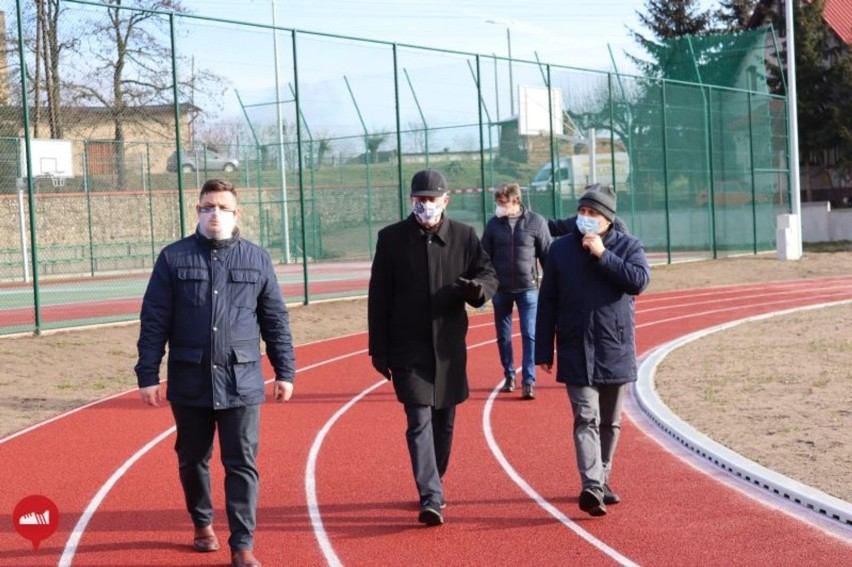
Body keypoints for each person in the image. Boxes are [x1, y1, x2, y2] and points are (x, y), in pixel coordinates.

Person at [135, 178, 295, 567]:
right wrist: (147, 373)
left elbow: (275, 319)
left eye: (222, 207)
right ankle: (202, 522)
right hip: (190, 379)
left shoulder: (256, 259)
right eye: (208, 206)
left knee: (242, 462)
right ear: (198, 211)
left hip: (242, 381)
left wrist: (285, 369)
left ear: (236, 213)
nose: (215, 214)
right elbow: (154, 319)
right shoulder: (173, 258)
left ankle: (243, 544)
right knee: (193, 458)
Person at [368, 169, 498, 527]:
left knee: (444, 422)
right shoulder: (391, 239)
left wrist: (476, 290)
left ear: (446, 200)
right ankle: (431, 496)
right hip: (407, 348)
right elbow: (378, 297)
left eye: (431, 199)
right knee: (419, 420)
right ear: (411, 200)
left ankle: (435, 481)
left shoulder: (464, 237)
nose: (425, 205)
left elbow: (489, 275)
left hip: (448, 348)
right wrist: (378, 349)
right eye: (419, 199)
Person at [534, 183, 650, 517]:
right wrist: (543, 349)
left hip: (614, 347)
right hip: (574, 346)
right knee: (586, 416)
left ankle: (602, 477)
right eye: (582, 212)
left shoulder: (629, 246)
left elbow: (638, 282)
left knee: (610, 422)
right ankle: (592, 485)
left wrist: (602, 254)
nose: (585, 218)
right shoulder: (559, 251)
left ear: (608, 219)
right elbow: (548, 301)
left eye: (593, 213)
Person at [481, 182, 552, 399]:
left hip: (528, 289)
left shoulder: (536, 222)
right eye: (497, 203)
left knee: (530, 334)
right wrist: (486, 286)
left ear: (516, 201)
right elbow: (484, 257)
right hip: (500, 290)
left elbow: (547, 255)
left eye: (503, 203)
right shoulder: (493, 225)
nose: (499, 207)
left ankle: (528, 380)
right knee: (503, 337)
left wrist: (551, 286)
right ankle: (509, 375)